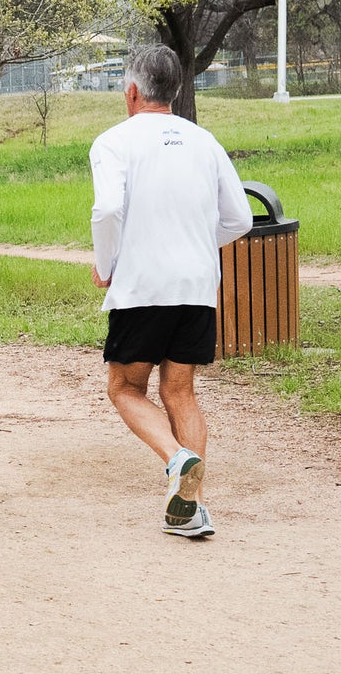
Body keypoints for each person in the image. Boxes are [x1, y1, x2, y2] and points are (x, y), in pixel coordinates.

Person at [90, 45, 253, 539]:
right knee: (180, 391)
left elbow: (106, 211)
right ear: (176, 90)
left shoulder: (113, 142)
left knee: (125, 389)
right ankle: (192, 509)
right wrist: (200, 244)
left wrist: (107, 265)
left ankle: (177, 459)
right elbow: (240, 219)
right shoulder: (205, 142)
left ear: (132, 91)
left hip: (143, 286)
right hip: (198, 285)